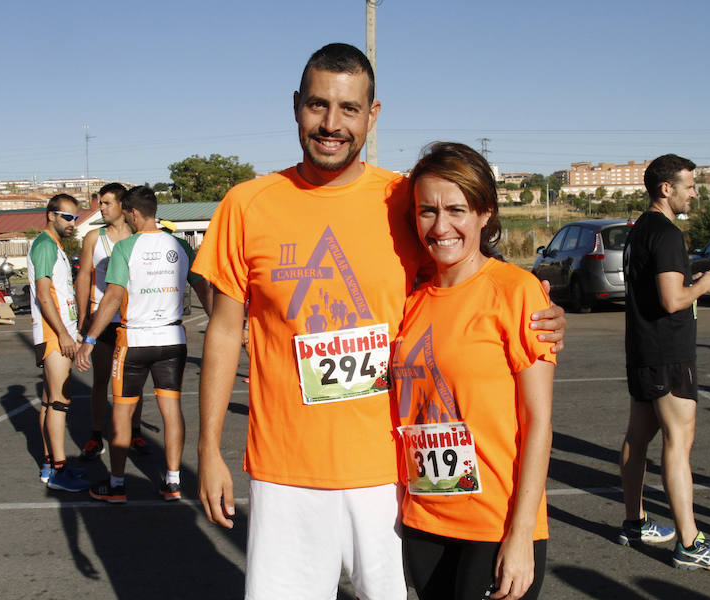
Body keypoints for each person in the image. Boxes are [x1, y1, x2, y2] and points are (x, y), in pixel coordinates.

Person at [193, 43, 566, 599]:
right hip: (284, 471)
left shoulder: (404, 197)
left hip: (392, 475)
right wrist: (207, 450)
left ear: (373, 114)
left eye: (349, 108)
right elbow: (224, 331)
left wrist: (535, 306)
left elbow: (463, 272)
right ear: (296, 106)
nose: (331, 124)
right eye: (318, 105)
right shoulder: (246, 204)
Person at [393, 142, 555, 600]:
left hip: (496, 524)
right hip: (424, 520)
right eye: (427, 211)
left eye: (456, 209)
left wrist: (522, 534)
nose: (440, 226)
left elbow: (539, 422)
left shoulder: (516, 291)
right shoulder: (409, 302)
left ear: (485, 213)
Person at [619, 153, 710, 570]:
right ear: (665, 189)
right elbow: (672, 300)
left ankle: (634, 522)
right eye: (689, 185)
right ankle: (689, 542)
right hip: (667, 354)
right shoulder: (667, 233)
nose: (694, 192)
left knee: (639, 438)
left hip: (643, 351)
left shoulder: (639, 231)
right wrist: (703, 285)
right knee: (678, 442)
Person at [75, 186, 212, 503]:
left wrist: (90, 339)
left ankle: (118, 484)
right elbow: (203, 288)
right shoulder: (179, 245)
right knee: (171, 410)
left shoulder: (125, 248)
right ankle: (174, 482)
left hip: (134, 342)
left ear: (133, 212)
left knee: (122, 413)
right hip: (172, 339)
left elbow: (111, 298)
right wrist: (219, 323)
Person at [75, 182, 149, 461]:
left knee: (134, 382)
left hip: (132, 321)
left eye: (106, 203)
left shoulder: (138, 236)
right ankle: (96, 435)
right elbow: (83, 277)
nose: (101, 208)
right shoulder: (94, 238)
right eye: (99, 203)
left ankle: (135, 431)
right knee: (101, 380)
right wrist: (83, 317)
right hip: (103, 320)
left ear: (122, 206)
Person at [27, 193, 90, 492]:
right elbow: (43, 294)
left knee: (49, 400)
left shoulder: (54, 246)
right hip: (53, 335)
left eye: (75, 217)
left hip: (58, 331)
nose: (72, 223)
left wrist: (73, 328)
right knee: (59, 401)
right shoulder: (43, 245)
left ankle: (51, 465)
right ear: (50, 214)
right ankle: (58, 472)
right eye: (67, 216)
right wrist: (64, 334)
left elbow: (60, 295)